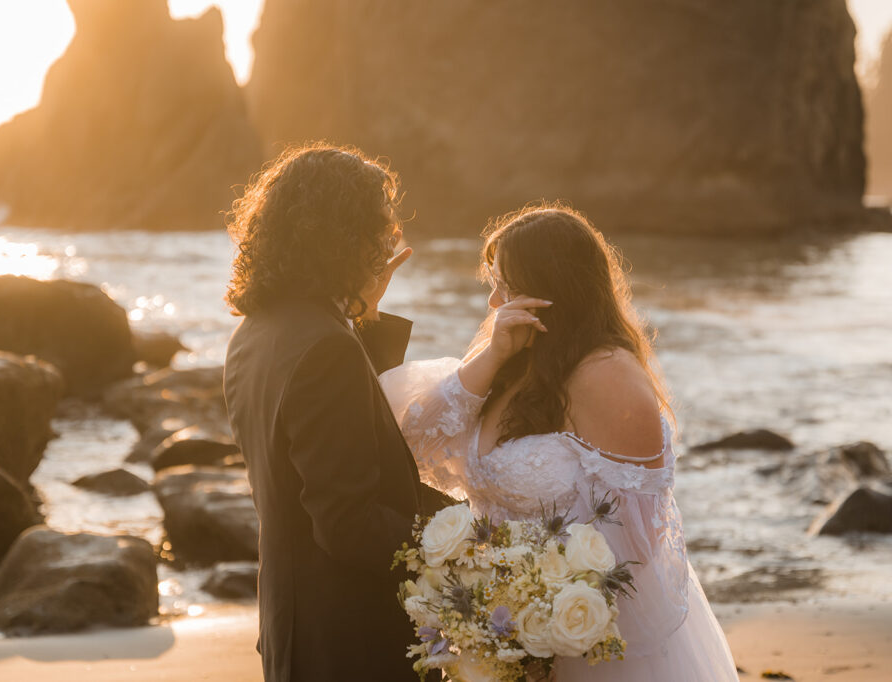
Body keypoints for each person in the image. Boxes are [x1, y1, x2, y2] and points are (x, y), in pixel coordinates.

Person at [380, 204, 740, 681]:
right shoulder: (514, 364)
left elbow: (640, 540)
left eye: (505, 285)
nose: (494, 303)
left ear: (551, 289)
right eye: (493, 285)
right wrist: (492, 355)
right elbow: (412, 437)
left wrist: (541, 619)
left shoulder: (608, 374)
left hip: (582, 643)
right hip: (503, 633)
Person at [223, 143, 448, 681]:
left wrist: (362, 314)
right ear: (343, 235)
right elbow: (346, 523)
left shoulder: (255, 332)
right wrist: (459, 543)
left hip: (294, 625)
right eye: (379, 225)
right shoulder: (326, 347)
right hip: (352, 642)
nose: (390, 236)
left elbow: (333, 428)